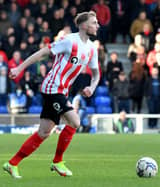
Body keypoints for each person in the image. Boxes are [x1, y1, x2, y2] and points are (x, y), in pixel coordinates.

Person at [3, 11, 100, 179]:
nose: (97, 25)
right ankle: (58, 162)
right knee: (75, 121)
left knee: (44, 132)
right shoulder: (69, 41)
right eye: (94, 22)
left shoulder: (92, 48)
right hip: (52, 88)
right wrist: (19, 68)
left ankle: (12, 164)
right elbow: (42, 53)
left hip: (62, 91)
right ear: (83, 25)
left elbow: (96, 73)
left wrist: (92, 86)